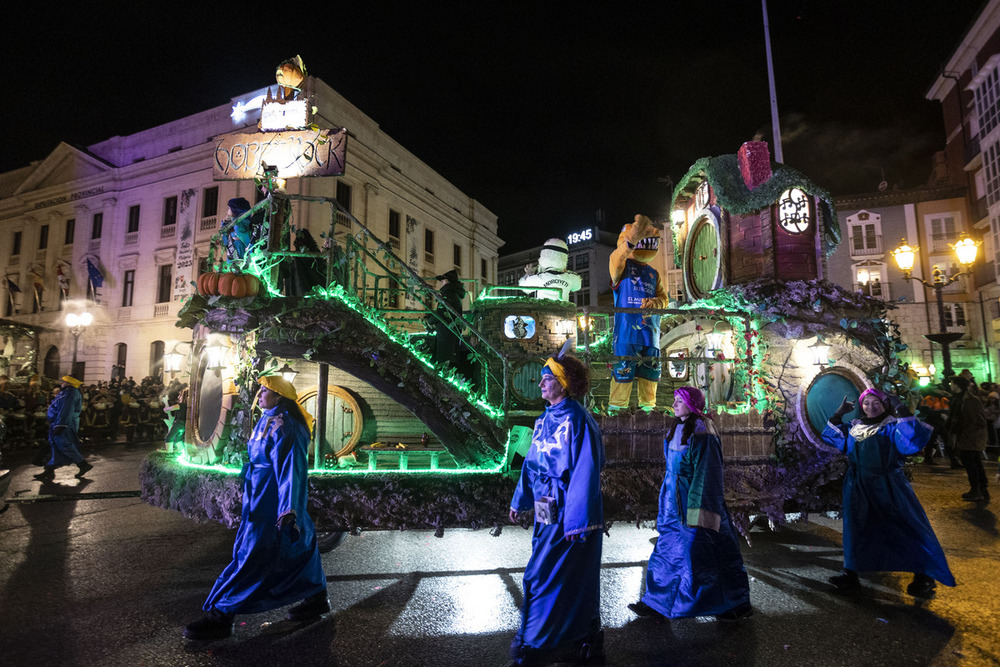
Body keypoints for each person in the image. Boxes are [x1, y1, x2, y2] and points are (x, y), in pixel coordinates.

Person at [184, 375, 330, 641]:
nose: (260, 394)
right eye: (261, 389)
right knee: (297, 548)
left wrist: (288, 509)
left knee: (253, 555)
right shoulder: (268, 418)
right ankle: (316, 596)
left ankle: (222, 614)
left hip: (272, 501)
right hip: (258, 496)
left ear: (279, 396)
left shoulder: (288, 426)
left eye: (265, 390)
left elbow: (291, 471)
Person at [508, 350, 605, 666]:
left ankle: (537, 642)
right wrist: (520, 499)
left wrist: (578, 521)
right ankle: (586, 633)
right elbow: (531, 464)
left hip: (567, 512)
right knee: (565, 573)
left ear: (563, 384)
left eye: (547, 378)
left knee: (542, 574)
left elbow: (586, 472)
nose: (540, 384)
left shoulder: (579, 420)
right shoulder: (544, 419)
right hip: (545, 508)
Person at [628, 386, 752, 623]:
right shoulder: (678, 427)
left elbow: (707, 475)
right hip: (674, 502)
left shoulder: (703, 431)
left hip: (694, 502)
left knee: (705, 553)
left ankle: (733, 603)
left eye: (679, 401)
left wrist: (700, 514)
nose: (674, 404)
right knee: (667, 550)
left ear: (693, 405)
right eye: (674, 400)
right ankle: (657, 601)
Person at [823, 387, 956, 598]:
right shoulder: (855, 426)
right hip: (859, 486)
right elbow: (834, 437)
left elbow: (912, 440)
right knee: (858, 530)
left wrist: (900, 408)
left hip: (889, 485)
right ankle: (850, 574)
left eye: (876, 402)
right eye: (866, 403)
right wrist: (838, 414)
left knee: (907, 527)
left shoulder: (893, 426)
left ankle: (924, 577)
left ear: (885, 404)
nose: (870, 407)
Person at [34, 376, 90, 481]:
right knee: (55, 446)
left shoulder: (70, 393)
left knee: (64, 445)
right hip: (58, 423)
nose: (62, 383)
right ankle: (49, 470)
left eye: (64, 381)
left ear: (70, 383)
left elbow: (66, 410)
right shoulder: (67, 392)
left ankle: (82, 464)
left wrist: (61, 425)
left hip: (64, 424)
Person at [948, 376, 990, 502]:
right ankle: (982, 490)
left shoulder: (971, 401)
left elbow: (979, 421)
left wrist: (965, 431)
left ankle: (977, 490)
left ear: (957, 385)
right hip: (965, 436)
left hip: (971, 437)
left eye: (952, 383)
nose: (951, 385)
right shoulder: (959, 399)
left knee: (971, 463)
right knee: (975, 462)